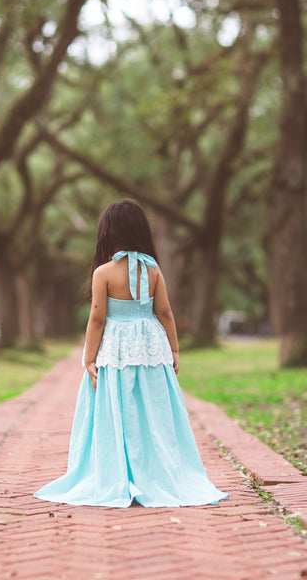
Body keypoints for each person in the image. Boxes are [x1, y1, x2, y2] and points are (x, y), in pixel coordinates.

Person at [34, 199, 228, 508]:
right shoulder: (153, 269)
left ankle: (117, 472)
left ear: (107, 233)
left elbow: (97, 319)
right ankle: (155, 471)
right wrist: (173, 349)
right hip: (150, 346)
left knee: (117, 406)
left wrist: (88, 357)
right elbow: (164, 311)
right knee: (152, 408)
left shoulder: (104, 273)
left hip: (117, 348)